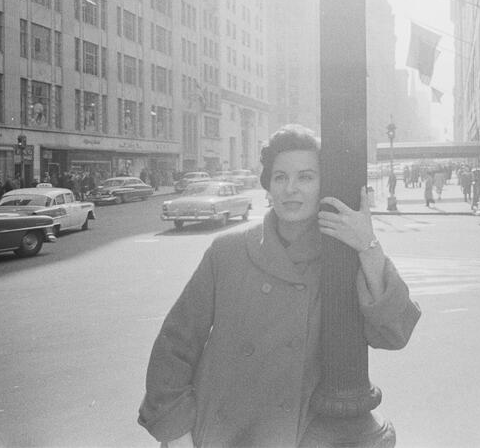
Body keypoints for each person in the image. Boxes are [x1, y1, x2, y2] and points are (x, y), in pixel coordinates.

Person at [138, 124, 420, 447]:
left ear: (323, 185)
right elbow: (174, 344)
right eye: (280, 177)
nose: (291, 189)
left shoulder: (339, 261)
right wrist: (177, 434)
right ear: (269, 187)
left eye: (305, 177)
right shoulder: (227, 252)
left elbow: (394, 333)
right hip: (211, 434)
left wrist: (368, 246)